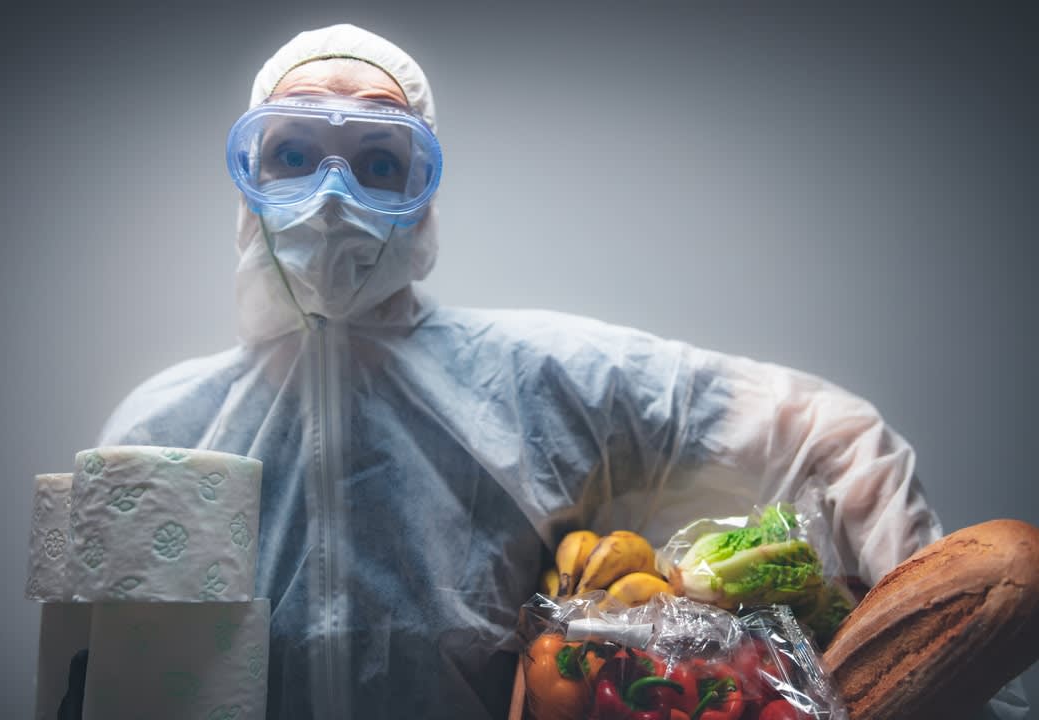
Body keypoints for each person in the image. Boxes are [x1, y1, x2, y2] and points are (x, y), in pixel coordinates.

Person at [98, 24, 1029, 719]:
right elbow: (107, 678)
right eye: (292, 155)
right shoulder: (166, 429)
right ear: (247, 177)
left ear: (422, 198)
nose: (332, 196)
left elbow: (826, 433)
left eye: (380, 162)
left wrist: (924, 652)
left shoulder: (527, 377)